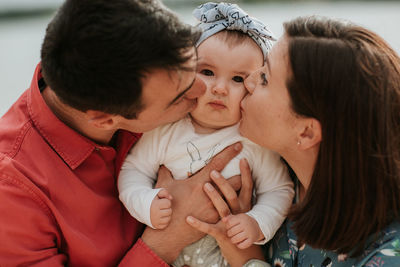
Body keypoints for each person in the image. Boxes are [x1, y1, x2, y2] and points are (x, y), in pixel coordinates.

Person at [0, 0, 250, 265]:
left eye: (198, 69)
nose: (203, 90)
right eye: (179, 97)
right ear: (105, 120)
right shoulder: (13, 192)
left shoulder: (146, 76)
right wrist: (169, 237)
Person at [186, 16, 400, 267]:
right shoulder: (266, 172)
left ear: (307, 133)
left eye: (265, 78)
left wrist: (245, 258)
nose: (249, 81)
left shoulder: (388, 255)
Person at [118, 3, 294, 267]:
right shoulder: (165, 129)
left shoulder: (253, 140)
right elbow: (132, 171)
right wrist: (146, 202)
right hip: (168, 257)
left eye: (237, 79)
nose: (220, 88)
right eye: (208, 72)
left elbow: (279, 190)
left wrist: (256, 223)